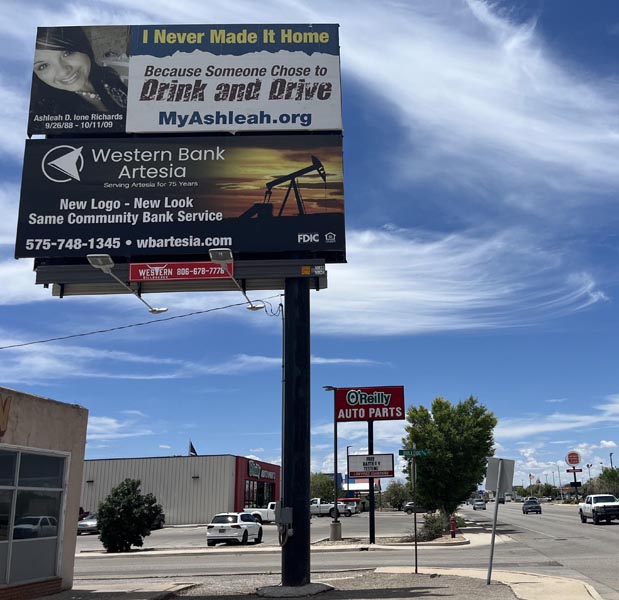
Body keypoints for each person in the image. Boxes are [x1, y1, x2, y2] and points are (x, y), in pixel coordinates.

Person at [30, 26, 127, 120]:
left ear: (83, 46)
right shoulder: (52, 115)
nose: (63, 71)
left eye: (67, 53)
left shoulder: (108, 75)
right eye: (43, 66)